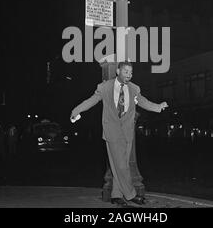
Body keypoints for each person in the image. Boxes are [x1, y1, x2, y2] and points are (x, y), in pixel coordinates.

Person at [70, 61, 168, 207]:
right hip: (112, 132)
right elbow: (91, 101)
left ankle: (116, 195)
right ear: (117, 72)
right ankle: (131, 194)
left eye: (131, 72)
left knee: (121, 165)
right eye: (126, 71)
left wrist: (158, 107)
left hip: (127, 133)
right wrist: (76, 110)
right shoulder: (104, 87)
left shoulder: (134, 89)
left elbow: (143, 102)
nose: (129, 75)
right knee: (121, 165)